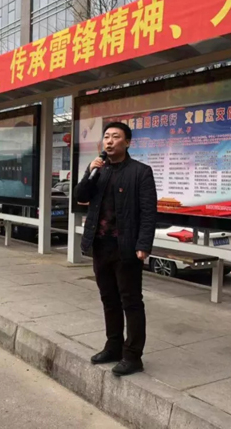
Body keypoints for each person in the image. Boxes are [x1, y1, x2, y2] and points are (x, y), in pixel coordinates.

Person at [75, 122, 157, 377]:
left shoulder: (141, 172)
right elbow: (80, 196)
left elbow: (148, 212)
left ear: (127, 142)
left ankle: (133, 356)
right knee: (108, 299)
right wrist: (90, 172)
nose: (109, 141)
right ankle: (113, 347)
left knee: (131, 302)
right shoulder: (98, 169)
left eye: (115, 137)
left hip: (127, 248)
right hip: (100, 246)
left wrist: (143, 244)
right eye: (107, 136)